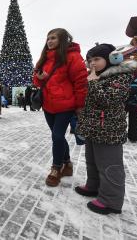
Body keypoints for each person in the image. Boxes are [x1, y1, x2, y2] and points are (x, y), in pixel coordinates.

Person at [76, 44, 137, 215]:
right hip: (93, 128)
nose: (92, 64)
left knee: (109, 165)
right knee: (92, 161)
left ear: (111, 59)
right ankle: (93, 186)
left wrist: (93, 84)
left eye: (96, 59)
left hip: (109, 130)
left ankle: (111, 201)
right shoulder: (98, 76)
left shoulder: (121, 76)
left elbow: (109, 100)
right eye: (89, 61)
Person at [33, 28, 88, 187]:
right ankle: (68, 165)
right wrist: (39, 77)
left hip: (66, 104)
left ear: (62, 40)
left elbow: (80, 82)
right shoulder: (44, 58)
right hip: (48, 105)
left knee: (57, 136)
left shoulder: (72, 56)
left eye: (53, 38)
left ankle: (56, 169)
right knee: (58, 136)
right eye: (48, 38)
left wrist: (79, 105)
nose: (49, 41)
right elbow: (36, 81)